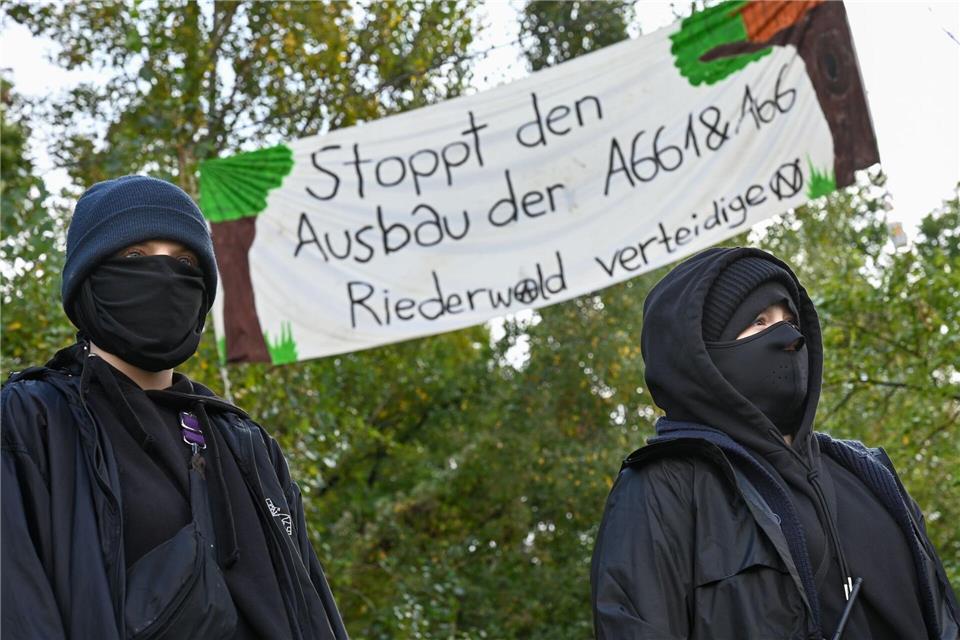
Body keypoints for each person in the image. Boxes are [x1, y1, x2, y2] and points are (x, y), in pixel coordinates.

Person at [1, 175, 349, 640]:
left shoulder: (248, 445)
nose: (164, 275)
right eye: (135, 256)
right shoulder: (29, 422)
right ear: (88, 277)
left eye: (184, 260)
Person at [590, 247, 959, 639]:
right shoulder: (662, 491)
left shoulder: (870, 471)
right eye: (759, 321)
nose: (788, 337)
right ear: (701, 353)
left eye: (790, 320)